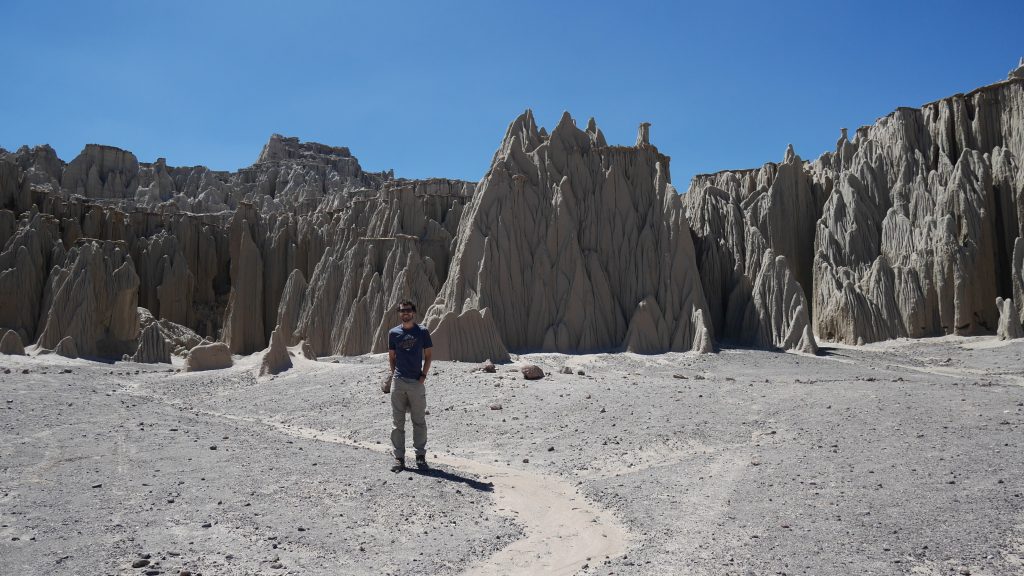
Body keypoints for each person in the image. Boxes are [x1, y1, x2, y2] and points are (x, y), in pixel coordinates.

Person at [384, 300, 432, 472]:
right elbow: (391, 356)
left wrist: (423, 376)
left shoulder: (423, 332)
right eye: (402, 310)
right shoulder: (393, 333)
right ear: (399, 313)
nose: (405, 313)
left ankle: (420, 456)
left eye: (408, 310)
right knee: (398, 423)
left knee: (418, 420)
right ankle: (399, 458)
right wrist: (395, 375)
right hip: (399, 382)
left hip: (416, 382)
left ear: (414, 312)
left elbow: (428, 355)